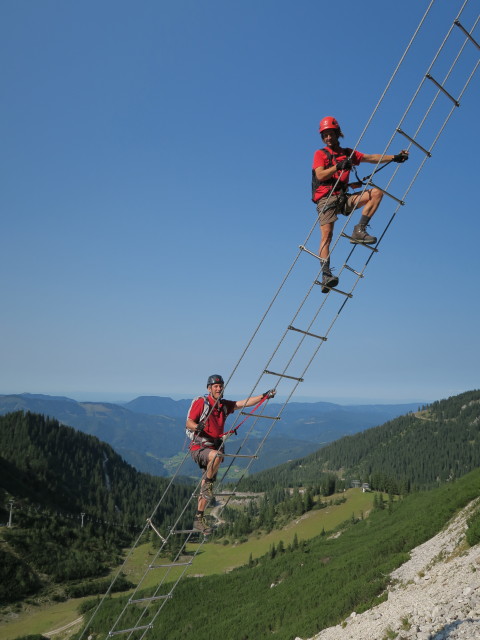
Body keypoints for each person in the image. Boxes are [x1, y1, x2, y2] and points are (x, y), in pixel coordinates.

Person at [312, 116, 408, 292]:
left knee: (376, 193)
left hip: (343, 197)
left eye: (330, 134)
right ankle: (326, 275)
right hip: (326, 198)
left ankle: (359, 230)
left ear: (337, 133)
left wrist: (394, 157)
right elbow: (320, 175)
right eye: (324, 135)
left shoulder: (347, 153)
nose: (328, 138)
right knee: (327, 236)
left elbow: (371, 158)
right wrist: (339, 166)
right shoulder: (320, 154)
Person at [186, 374, 276, 533]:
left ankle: (198, 519)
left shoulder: (224, 405)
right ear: (209, 389)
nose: (219, 389)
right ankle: (208, 485)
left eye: (221, 386)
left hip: (213, 449)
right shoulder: (202, 402)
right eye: (216, 386)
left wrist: (263, 396)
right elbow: (188, 422)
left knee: (207, 483)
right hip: (199, 448)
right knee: (215, 461)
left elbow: (243, 403)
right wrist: (196, 427)